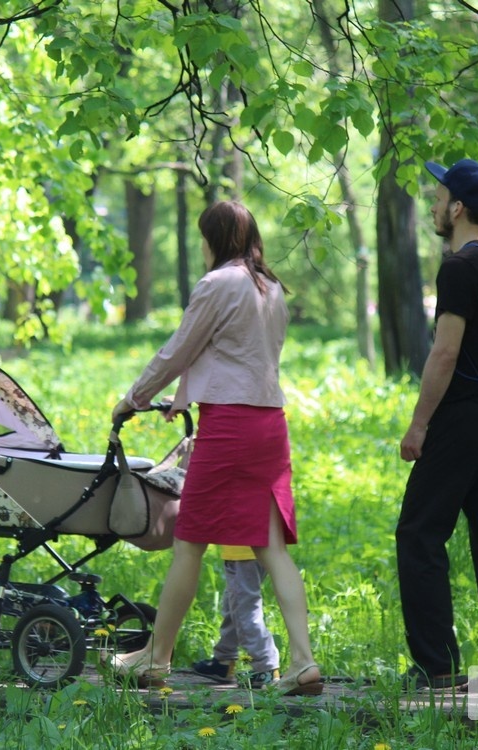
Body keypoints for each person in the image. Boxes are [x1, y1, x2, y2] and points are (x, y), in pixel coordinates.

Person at [109, 200, 321, 696]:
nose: (202, 246)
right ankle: (303, 662)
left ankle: (156, 658)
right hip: (269, 426)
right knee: (272, 549)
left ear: (215, 239)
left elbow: (178, 349)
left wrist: (133, 398)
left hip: (228, 429)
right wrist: (185, 398)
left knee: (189, 543)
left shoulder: (216, 283)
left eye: (204, 238)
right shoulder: (271, 288)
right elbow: (237, 355)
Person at [396, 158, 478, 690]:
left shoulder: (459, 268)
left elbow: (445, 353)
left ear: (457, 208)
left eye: (437, 197)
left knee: (418, 534)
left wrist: (418, 424)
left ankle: (438, 668)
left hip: (461, 422)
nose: (432, 205)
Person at [191, 545, 281, 688]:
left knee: (244, 610)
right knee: (234, 604)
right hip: (255, 549)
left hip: (242, 551)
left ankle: (266, 667)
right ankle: (224, 662)